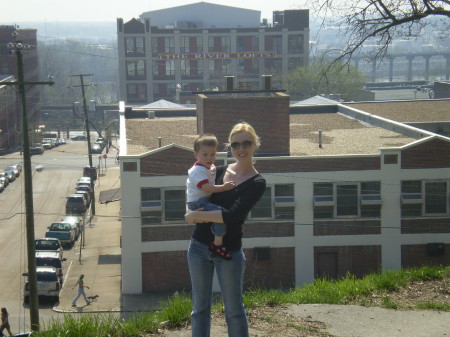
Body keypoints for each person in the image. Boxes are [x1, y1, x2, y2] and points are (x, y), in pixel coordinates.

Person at [185, 122, 266, 337]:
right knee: (199, 310)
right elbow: (195, 194)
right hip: (199, 247)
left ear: (255, 144)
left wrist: (195, 216)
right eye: (235, 144)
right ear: (230, 147)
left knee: (234, 312)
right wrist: (190, 212)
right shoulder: (216, 171)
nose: (241, 149)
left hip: (229, 251)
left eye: (246, 143)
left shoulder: (257, 182)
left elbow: (232, 215)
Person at [186, 134, 235, 260]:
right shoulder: (197, 171)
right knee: (220, 214)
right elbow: (207, 188)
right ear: (196, 154)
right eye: (205, 154)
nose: (209, 157)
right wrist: (224, 187)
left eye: (212, 154)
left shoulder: (209, 167)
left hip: (202, 201)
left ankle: (216, 239)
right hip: (197, 203)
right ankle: (217, 243)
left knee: (215, 215)